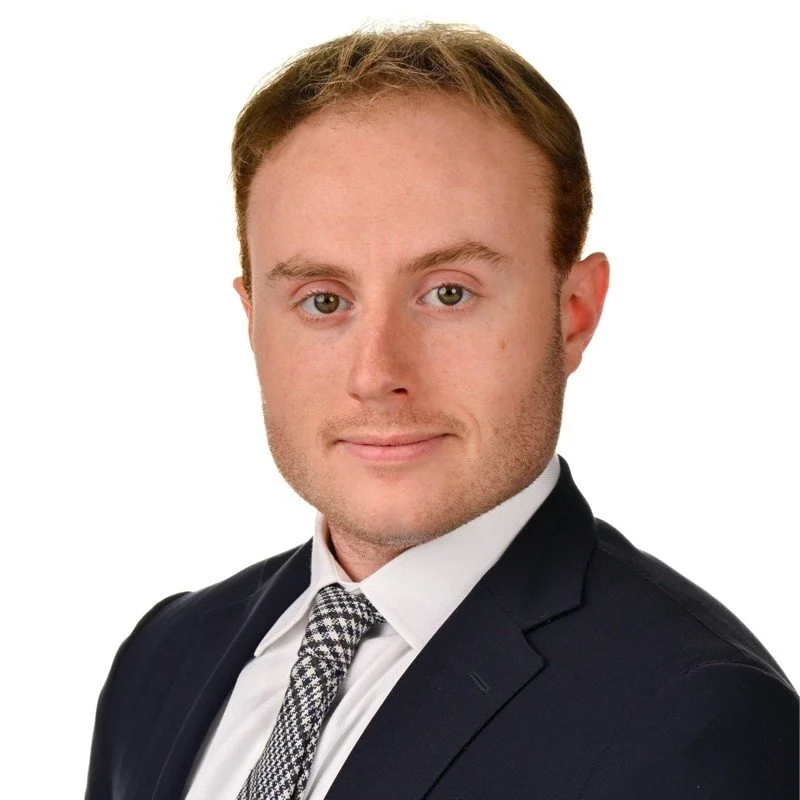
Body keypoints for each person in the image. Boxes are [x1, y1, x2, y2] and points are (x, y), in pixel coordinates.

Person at [84, 21, 798, 800]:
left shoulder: (697, 718)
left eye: (449, 293)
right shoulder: (163, 661)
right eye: (322, 301)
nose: (377, 374)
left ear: (573, 313)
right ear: (253, 321)